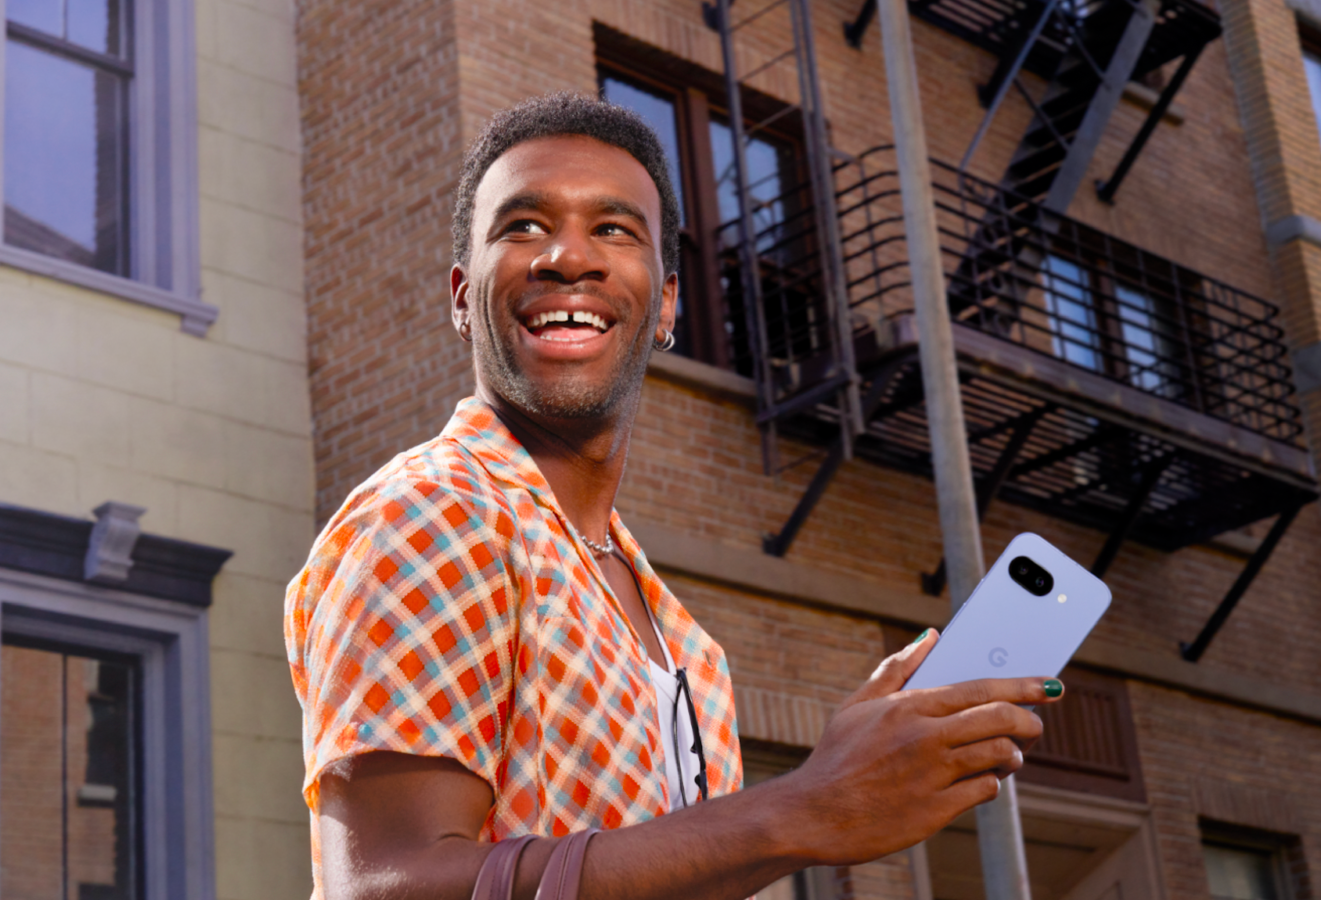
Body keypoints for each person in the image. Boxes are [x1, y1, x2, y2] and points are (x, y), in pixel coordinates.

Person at [284, 92, 1062, 900]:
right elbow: (383, 889)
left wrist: (838, 784)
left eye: (614, 230)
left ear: (666, 304)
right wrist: (801, 809)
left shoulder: (687, 646)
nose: (566, 257)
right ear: (459, 297)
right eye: (522, 227)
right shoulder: (435, 514)